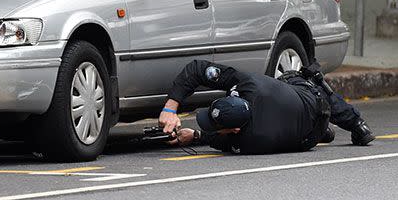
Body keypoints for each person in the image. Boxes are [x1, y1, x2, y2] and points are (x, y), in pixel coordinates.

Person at [158, 60, 374, 154]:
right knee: (307, 83)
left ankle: (324, 132)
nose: (213, 128)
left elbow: (218, 140)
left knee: (303, 92)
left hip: (310, 136)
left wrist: (195, 136)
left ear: (235, 130)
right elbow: (198, 69)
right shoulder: (248, 84)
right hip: (315, 106)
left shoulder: (252, 140)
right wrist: (170, 108)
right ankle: (357, 124)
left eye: (217, 125)